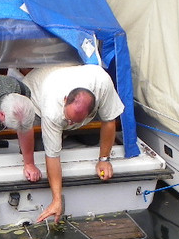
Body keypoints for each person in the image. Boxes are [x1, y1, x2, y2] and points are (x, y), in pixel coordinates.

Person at [23, 63, 124, 223]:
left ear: (92, 111)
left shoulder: (102, 83)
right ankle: (60, 134)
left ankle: (67, 132)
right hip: (36, 100)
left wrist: (104, 159)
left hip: (72, 103)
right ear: (65, 100)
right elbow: (52, 156)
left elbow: (109, 120)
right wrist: (57, 199)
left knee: (92, 139)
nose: (69, 123)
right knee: (40, 149)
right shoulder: (52, 107)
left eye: (74, 122)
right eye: (68, 119)